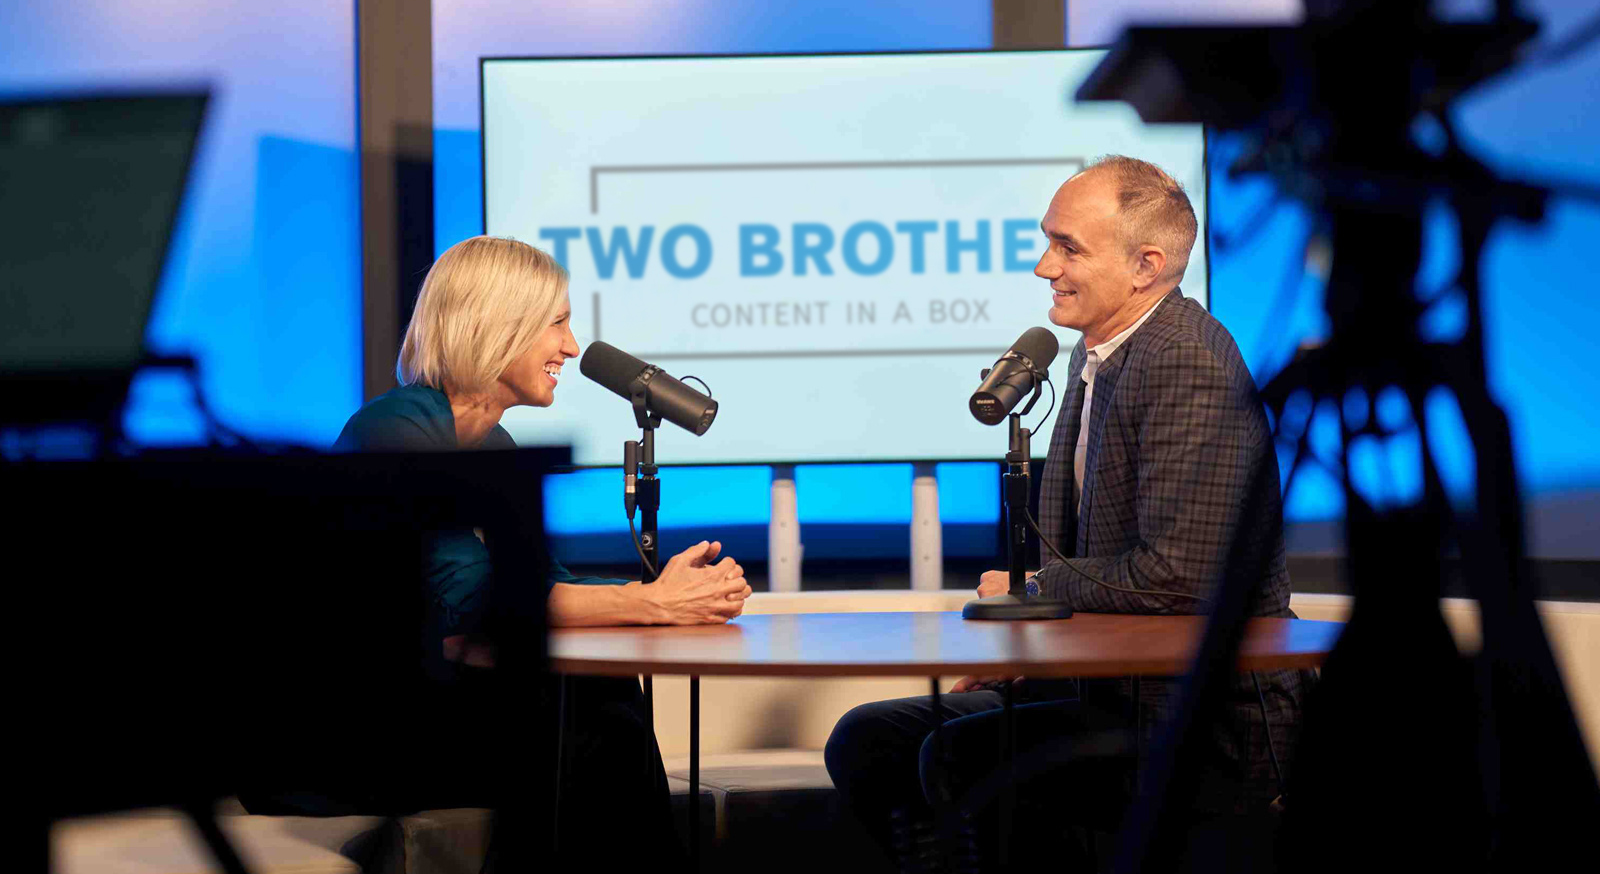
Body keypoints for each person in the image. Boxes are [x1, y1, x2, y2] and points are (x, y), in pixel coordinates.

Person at [826, 156, 1309, 868]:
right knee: (872, 740)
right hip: (1103, 692)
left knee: (960, 759)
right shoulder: (1103, 354)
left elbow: (1183, 579)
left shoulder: (1185, 360)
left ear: (1145, 265)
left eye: (1067, 247)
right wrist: (1036, 655)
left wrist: (1033, 594)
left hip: (1198, 724)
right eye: (1048, 241)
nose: (1043, 266)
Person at [251, 236, 749, 868]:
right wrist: (650, 602)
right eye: (559, 323)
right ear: (498, 326)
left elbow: (542, 581)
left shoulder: (494, 444)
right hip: (340, 746)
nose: (571, 346)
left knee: (597, 699)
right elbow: (475, 601)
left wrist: (675, 593)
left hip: (422, 717)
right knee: (583, 723)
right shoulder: (394, 431)